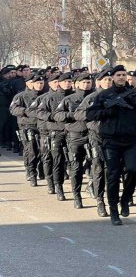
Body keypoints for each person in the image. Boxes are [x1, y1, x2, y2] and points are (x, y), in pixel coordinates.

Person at [86, 66, 136, 225]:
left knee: (133, 170)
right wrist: (107, 112)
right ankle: (113, 209)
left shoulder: (135, 94)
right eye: (118, 75)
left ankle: (125, 200)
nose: (121, 77)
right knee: (113, 175)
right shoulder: (104, 95)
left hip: (132, 140)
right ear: (112, 77)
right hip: (111, 140)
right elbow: (90, 114)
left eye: (124, 75)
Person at [75, 69, 113, 217]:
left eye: (110, 80)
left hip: (114, 138)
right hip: (96, 136)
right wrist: (96, 115)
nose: (108, 82)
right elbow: (79, 113)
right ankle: (100, 201)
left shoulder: (119, 96)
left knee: (112, 170)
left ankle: (113, 201)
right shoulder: (92, 98)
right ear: (99, 82)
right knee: (98, 167)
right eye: (105, 80)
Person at [53, 72, 94, 209]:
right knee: (75, 167)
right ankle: (77, 196)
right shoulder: (69, 99)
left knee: (97, 164)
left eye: (89, 82)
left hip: (93, 135)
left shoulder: (95, 97)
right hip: (75, 136)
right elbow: (57, 115)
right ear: (77, 84)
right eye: (84, 82)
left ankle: (92, 186)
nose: (86, 85)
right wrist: (74, 115)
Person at [37, 72, 74, 201]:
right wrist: (51, 117)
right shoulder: (49, 98)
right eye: (65, 82)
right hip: (56, 132)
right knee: (56, 160)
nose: (67, 84)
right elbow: (40, 112)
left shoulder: (74, 97)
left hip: (72, 133)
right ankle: (57, 186)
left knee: (74, 161)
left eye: (70, 82)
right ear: (59, 83)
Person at [10, 75, 44, 186]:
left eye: (41, 83)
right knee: (31, 149)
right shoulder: (21, 96)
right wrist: (26, 111)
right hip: (27, 125)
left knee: (43, 149)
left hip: (42, 126)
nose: (39, 85)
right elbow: (13, 109)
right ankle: (31, 171)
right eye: (36, 82)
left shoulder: (45, 95)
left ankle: (40, 167)